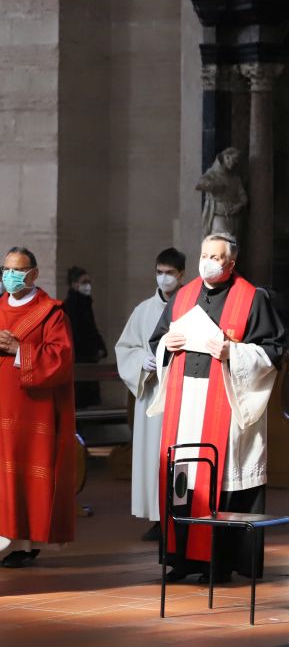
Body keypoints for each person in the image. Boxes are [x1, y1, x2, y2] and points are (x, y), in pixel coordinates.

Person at [148, 233, 285, 583]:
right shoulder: (183, 295)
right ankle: (182, 560)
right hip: (185, 401)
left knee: (219, 480)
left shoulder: (253, 299)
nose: (208, 261)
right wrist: (168, 342)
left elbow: (274, 351)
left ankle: (218, 563)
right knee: (184, 481)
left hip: (225, 399)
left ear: (231, 263)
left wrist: (232, 352)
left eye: (217, 257)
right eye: (205, 254)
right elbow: (157, 340)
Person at [0, 246, 77, 568]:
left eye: (17, 271)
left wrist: (20, 350)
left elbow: (61, 358)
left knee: (27, 477)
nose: (10, 276)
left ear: (33, 274)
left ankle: (23, 545)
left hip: (34, 411)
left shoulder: (52, 313)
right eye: (6, 270)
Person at [114, 248, 185, 541]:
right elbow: (125, 348)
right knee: (154, 457)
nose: (164, 278)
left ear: (181, 274)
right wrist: (141, 360)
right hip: (153, 391)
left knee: (180, 457)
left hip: (182, 393)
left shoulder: (192, 306)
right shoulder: (143, 310)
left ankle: (181, 515)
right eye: (160, 271)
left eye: (169, 272)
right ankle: (158, 518)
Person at [65, 265, 107, 408]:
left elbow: (92, 328)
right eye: (84, 282)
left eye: (88, 282)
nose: (87, 286)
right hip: (80, 358)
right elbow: (77, 332)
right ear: (74, 284)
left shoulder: (85, 303)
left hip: (89, 357)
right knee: (80, 397)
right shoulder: (71, 305)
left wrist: (100, 347)